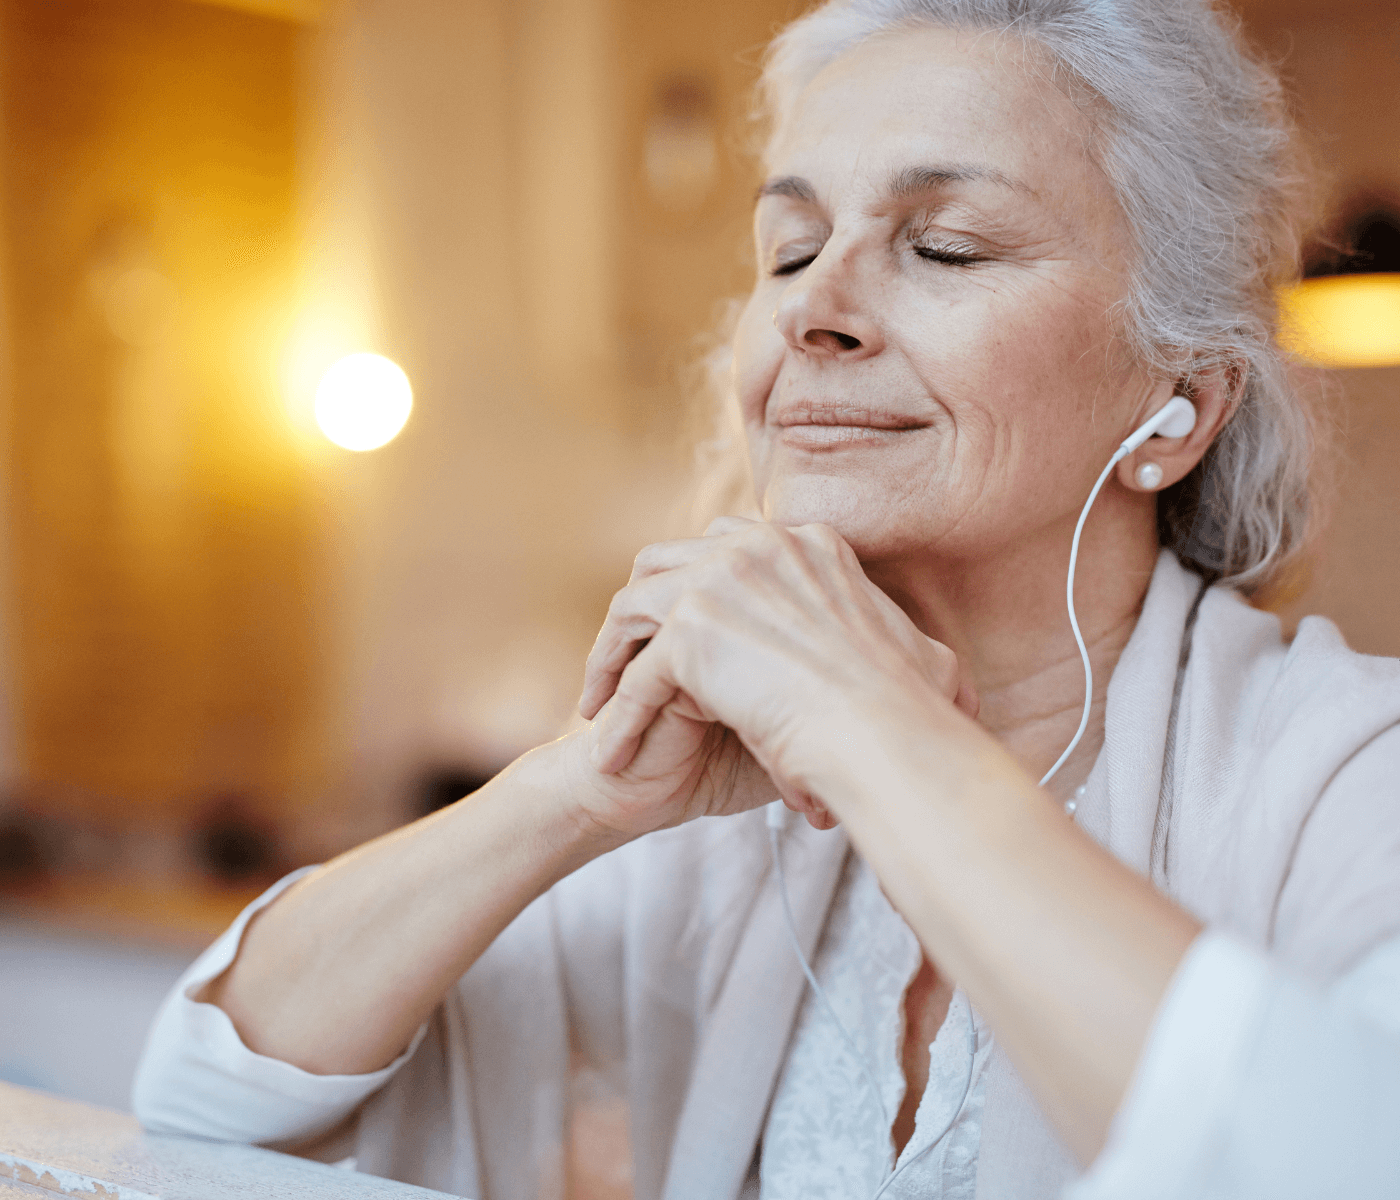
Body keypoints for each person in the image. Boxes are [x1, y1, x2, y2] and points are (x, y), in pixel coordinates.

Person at [133, 2, 1400, 1197]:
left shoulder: (1350, 776)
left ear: (1178, 402)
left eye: (944, 247)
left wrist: (878, 734)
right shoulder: (716, 821)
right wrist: (572, 789)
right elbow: (209, 1092)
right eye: (788, 250)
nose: (809, 310)